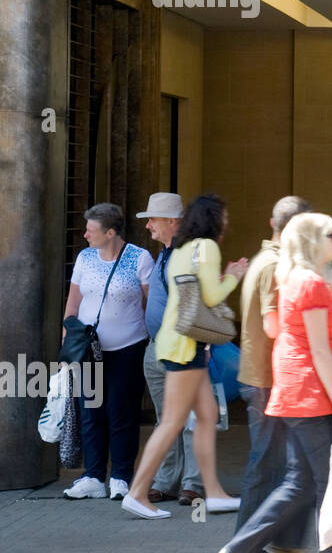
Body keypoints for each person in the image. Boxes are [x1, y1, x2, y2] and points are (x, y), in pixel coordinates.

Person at [218, 212, 332, 553]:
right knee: (327, 485)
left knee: (303, 483)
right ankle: (237, 551)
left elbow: (327, 347)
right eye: (330, 236)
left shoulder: (301, 279)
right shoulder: (309, 282)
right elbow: (320, 349)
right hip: (309, 394)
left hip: (304, 392)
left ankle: (236, 551)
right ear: (313, 242)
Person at [123, 194, 246, 519]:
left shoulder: (178, 253)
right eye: (224, 216)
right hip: (185, 348)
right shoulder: (205, 248)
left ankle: (214, 493)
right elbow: (211, 297)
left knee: (206, 418)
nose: (227, 221)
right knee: (174, 422)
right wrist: (234, 274)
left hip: (175, 345)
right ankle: (137, 493)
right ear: (213, 219)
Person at [233, 195, 312, 547]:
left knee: (279, 467)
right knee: (267, 467)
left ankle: (277, 542)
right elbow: (272, 325)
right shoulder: (274, 266)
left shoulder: (265, 259)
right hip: (269, 380)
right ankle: (244, 544)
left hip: (264, 378)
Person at [61, 203, 154, 502]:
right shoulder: (85, 258)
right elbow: (73, 305)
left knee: (121, 412)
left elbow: (148, 307)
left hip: (127, 349)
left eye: (91, 229)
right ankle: (92, 476)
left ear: (110, 232)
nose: (85, 234)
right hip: (88, 351)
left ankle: (121, 477)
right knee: (90, 413)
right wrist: (68, 344)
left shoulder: (140, 258)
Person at [135, 193, 202, 506]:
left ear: (173, 222)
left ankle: (193, 483)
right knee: (167, 419)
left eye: (153, 219)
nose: (148, 225)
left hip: (181, 350)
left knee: (188, 419)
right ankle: (167, 481)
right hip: (157, 349)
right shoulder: (164, 253)